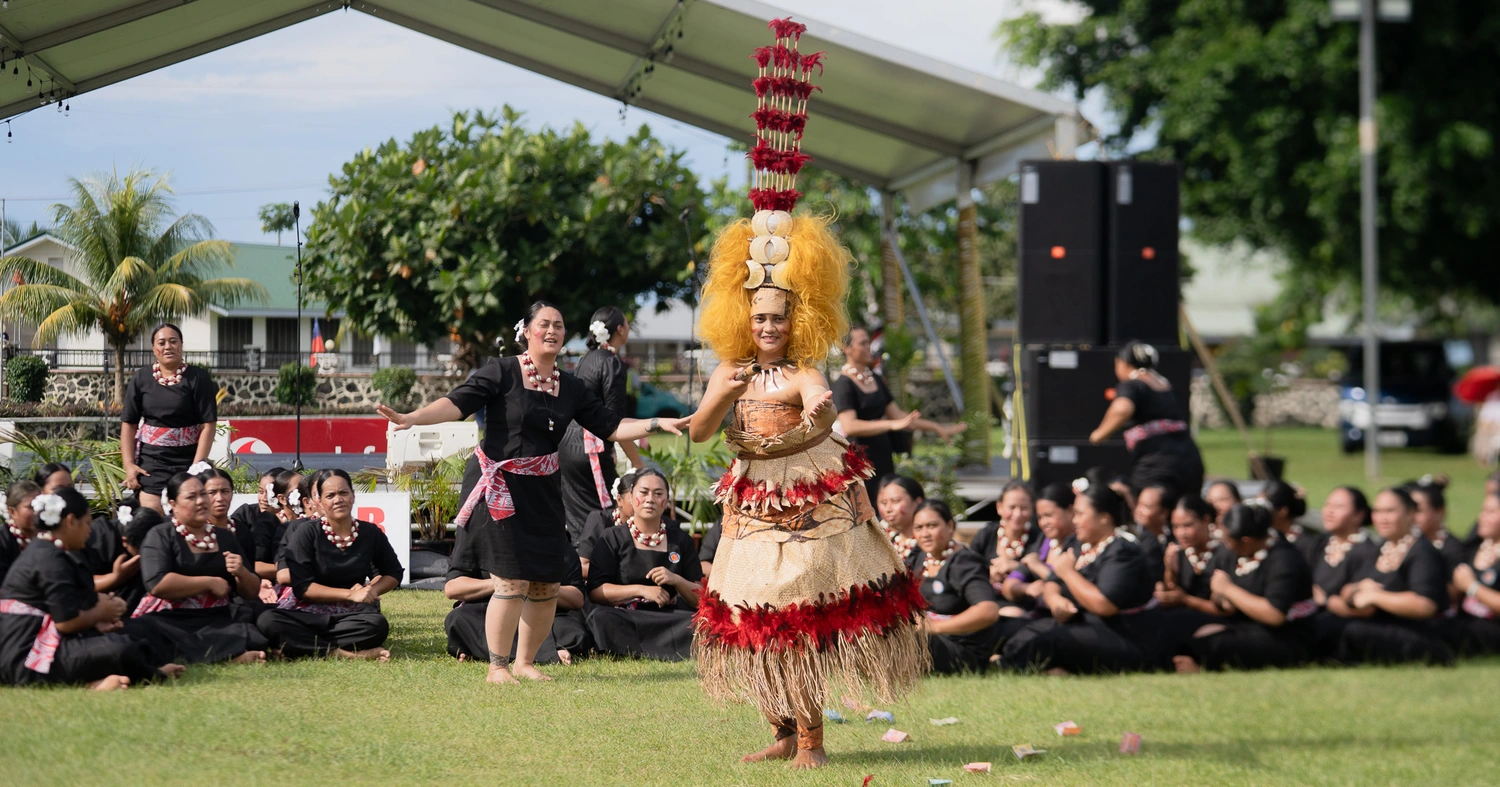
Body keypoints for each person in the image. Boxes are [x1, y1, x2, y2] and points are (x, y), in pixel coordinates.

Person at [690, 28, 926, 765]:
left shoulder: (800, 372)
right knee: (754, 617)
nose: (766, 327)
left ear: (798, 317)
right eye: (757, 317)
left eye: (777, 316)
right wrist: (717, 396)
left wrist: (820, 414)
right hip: (749, 504)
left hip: (806, 502)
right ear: (742, 318)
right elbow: (699, 434)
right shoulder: (732, 369)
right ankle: (780, 732)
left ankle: (813, 740)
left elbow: (822, 400)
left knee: (798, 616)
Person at [378, 301, 685, 685]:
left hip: (543, 491)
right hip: (499, 488)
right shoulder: (502, 371)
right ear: (526, 330)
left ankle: (525, 662)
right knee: (510, 580)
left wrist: (656, 422)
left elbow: (610, 426)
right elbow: (457, 403)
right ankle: (498, 666)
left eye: (559, 324)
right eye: (544, 324)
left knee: (545, 583)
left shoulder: (571, 385)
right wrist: (410, 418)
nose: (552, 331)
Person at [0, 488, 185, 688]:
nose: (90, 531)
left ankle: (98, 681)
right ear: (70, 521)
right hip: (26, 655)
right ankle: (148, 676)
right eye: (87, 523)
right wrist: (100, 612)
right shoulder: (49, 557)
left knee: (136, 633)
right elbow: (66, 623)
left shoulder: (54, 551)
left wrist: (98, 621)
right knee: (121, 649)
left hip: (39, 643)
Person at [1000, 479, 1165, 674]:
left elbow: (1104, 605)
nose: (1074, 520)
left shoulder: (1123, 551)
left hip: (1126, 636)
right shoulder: (1080, 544)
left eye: (1079, 514)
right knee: (1023, 630)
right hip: (1088, 625)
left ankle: (1004, 667)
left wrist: (1068, 572)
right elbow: (1053, 580)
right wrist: (1055, 600)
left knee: (1054, 640)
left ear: (1103, 517)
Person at [255, 470, 403, 661]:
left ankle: (299, 647)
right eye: (330, 495)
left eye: (343, 493)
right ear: (319, 502)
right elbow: (303, 588)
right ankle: (343, 654)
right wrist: (350, 594)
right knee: (269, 622)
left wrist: (371, 590)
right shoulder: (305, 532)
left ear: (353, 495)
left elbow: (393, 573)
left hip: (348, 614)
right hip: (305, 612)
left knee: (376, 625)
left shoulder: (370, 532)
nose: (338, 500)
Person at [124, 472, 268, 666]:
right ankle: (226, 655)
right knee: (142, 631)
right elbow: (157, 584)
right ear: (173, 504)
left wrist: (241, 572)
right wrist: (209, 582)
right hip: (171, 617)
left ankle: (223, 653)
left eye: (202, 494)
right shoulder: (160, 534)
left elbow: (251, 592)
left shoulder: (224, 537)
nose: (201, 501)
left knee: (255, 625)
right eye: (192, 497)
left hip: (216, 616)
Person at [1174, 503, 1316, 672]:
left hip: (1287, 636)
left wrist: (1228, 590)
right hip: (1246, 625)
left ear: (1245, 541)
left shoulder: (1284, 560)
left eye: (1227, 540)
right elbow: (1219, 598)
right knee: (1182, 625)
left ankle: (1196, 666)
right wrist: (1222, 600)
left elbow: (1275, 615)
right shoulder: (1234, 554)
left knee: (1217, 643)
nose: (1224, 544)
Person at [833, 325, 966, 502]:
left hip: (882, 454)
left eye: (869, 342)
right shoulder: (844, 384)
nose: (868, 347)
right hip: (859, 460)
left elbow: (898, 416)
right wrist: (890, 424)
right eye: (862, 343)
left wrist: (937, 427)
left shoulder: (875, 378)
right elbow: (850, 425)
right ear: (847, 348)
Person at [444, 516, 592, 666]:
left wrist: (535, 586)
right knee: (458, 620)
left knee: (575, 634)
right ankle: (548, 653)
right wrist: (507, 585)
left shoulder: (553, 541)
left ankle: (479, 650)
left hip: (543, 614)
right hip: (489, 612)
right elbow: (453, 588)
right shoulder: (481, 536)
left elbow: (577, 597)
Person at [586, 470, 701, 661]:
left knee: (702, 623)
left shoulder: (681, 540)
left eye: (658, 494)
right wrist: (642, 590)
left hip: (667, 617)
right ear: (631, 497)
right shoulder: (612, 537)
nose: (650, 499)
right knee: (601, 618)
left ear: (666, 499)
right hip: (625, 616)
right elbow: (597, 591)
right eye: (644, 492)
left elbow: (699, 598)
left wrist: (676, 580)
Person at [1335, 487, 1454, 665]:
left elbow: (1424, 605)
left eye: (1390, 511)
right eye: (1377, 511)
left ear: (1410, 513)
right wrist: (1357, 589)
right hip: (1379, 626)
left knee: (1349, 630)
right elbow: (1346, 590)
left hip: (1419, 635)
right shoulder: (1379, 548)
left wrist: (1376, 596)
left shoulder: (1422, 553)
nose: (1382, 518)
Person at [560, 306, 646, 548]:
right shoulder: (612, 363)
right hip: (591, 450)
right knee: (609, 513)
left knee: (580, 522)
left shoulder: (585, 359)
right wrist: (638, 464)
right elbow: (615, 424)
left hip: (567, 446)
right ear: (619, 329)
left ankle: (581, 575)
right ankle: (599, 575)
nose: (628, 328)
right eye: (627, 324)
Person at [120, 323, 217, 514]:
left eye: (173, 341)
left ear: (181, 345)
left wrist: (196, 468)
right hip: (152, 464)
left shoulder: (198, 377)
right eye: (162, 342)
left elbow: (208, 425)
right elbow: (129, 424)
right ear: (154, 349)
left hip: (188, 462)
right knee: (151, 520)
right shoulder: (141, 378)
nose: (168, 347)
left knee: (186, 521)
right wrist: (130, 466)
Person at [1088, 341, 1204, 497]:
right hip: (1190, 461)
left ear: (1124, 364)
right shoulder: (1164, 384)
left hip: (1157, 464)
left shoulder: (1132, 384)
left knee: (1146, 509)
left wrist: (1099, 434)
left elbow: (1122, 409)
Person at [912, 500, 1001, 674]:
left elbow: (988, 610)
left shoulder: (965, 563)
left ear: (950, 526)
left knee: (909, 639)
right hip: (931, 640)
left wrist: (935, 627)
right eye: (919, 527)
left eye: (932, 526)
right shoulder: (919, 559)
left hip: (962, 649)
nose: (925, 534)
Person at [41, 462, 143, 607]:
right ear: (40, 492)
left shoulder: (85, 534)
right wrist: (115, 578)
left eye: (70, 488)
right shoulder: (39, 542)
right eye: (58, 489)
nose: (65, 495)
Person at [1303, 486, 1380, 660]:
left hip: (1345, 624)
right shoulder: (1319, 544)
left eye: (1338, 507)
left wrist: (1324, 600)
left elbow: (1362, 606)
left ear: (1359, 514)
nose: (1329, 511)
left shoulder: (1367, 551)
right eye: (1327, 505)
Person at [998, 482, 1079, 618]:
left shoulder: (1079, 544)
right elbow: (1009, 586)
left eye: (1049, 515)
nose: (1043, 522)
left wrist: (1039, 568)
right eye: (1040, 517)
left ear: (1070, 511)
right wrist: (1027, 588)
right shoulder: (1044, 542)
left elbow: (1072, 589)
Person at [1444, 490, 1500, 655]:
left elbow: (1468, 585)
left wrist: (1472, 586)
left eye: (1491, 512)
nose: (1482, 516)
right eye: (1482, 510)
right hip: (1464, 620)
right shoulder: (1474, 547)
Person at [1155, 494, 1224, 616]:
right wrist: (1170, 569)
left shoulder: (1223, 552)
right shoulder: (1179, 550)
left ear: (1206, 520)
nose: (1181, 533)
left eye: (1187, 525)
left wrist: (1187, 600)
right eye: (1175, 526)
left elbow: (1225, 610)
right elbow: (1170, 595)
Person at [969, 480, 1040, 597]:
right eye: (1012, 507)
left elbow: (1044, 573)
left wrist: (1017, 567)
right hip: (985, 599)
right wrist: (988, 572)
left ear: (1032, 509)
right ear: (999, 507)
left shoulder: (1038, 538)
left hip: (1023, 604)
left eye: (1024, 508)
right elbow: (969, 564)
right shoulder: (987, 533)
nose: (1017, 514)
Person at [1404, 476, 1465, 593]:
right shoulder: (1398, 543)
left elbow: (1452, 594)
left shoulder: (1453, 550)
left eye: (1419, 511)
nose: (1412, 517)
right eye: (1409, 510)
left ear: (1439, 512)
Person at [574, 470, 639, 579]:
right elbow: (583, 566)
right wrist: (620, 574)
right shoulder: (600, 520)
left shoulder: (655, 527)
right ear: (619, 499)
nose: (639, 504)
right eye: (633, 499)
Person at [255, 469, 303, 584]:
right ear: (282, 498)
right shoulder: (268, 522)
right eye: (299, 490)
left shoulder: (311, 521)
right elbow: (256, 566)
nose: (303, 494)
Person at [1130, 483, 1179, 584]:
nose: (1138, 510)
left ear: (1163, 513)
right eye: (1138, 503)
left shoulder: (1175, 540)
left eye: (1146, 506)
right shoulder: (1131, 536)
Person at [1260, 479, 1317, 565]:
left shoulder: (1307, 546)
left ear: (1282, 511)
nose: (1257, 512)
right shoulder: (1259, 540)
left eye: (1263, 508)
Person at [875, 475, 925, 569]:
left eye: (895, 501)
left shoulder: (927, 542)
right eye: (884, 503)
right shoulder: (893, 540)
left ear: (918, 502)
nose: (888, 509)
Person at [1, 480, 42, 585]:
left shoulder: (50, 537)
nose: (37, 511)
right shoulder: (3, 540)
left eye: (40, 505)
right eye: (31, 507)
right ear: (12, 512)